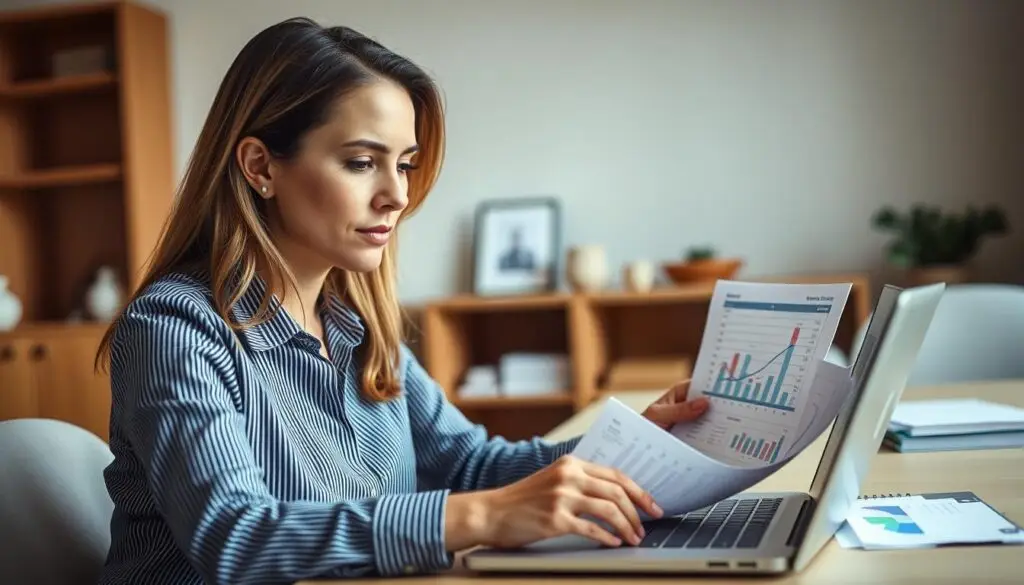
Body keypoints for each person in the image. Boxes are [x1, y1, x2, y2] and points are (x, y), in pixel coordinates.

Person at [93, 17, 711, 585]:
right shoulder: (174, 328)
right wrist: (481, 517)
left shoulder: (360, 325)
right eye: (362, 162)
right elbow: (237, 537)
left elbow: (469, 467)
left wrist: (632, 445)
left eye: (405, 164)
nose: (397, 195)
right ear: (261, 166)